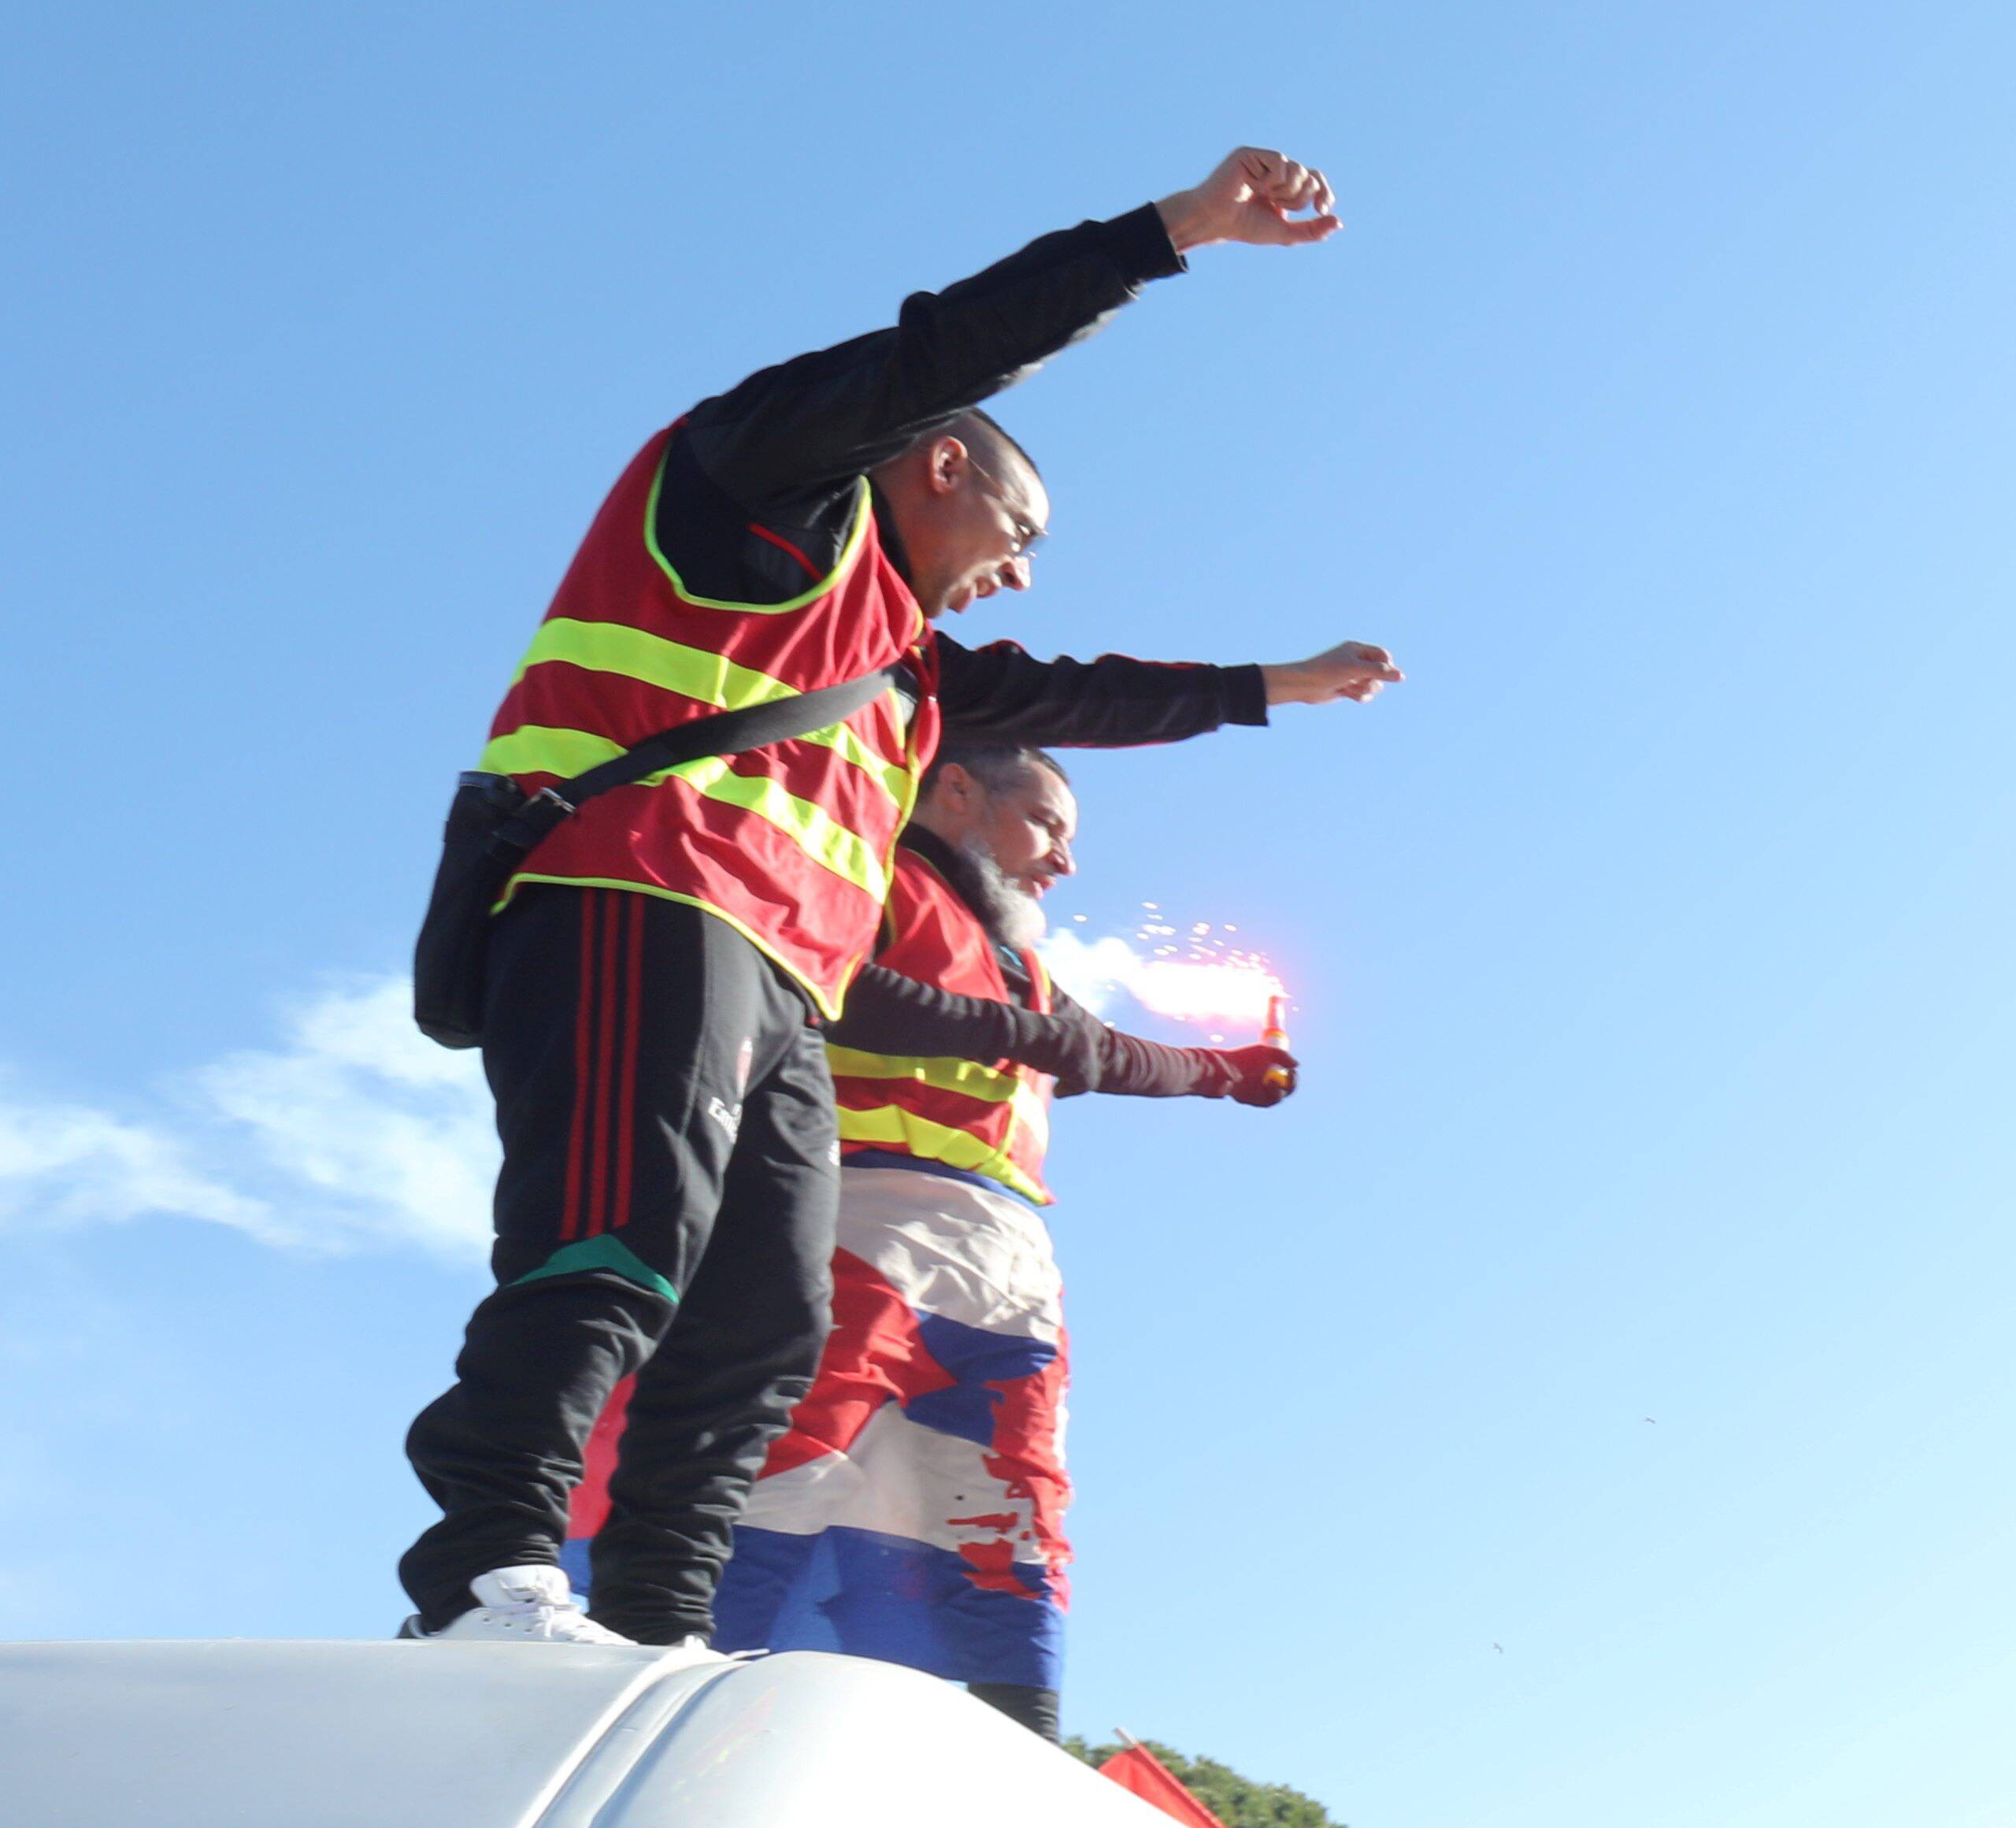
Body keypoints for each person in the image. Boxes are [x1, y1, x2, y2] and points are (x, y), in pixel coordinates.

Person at [402, 149, 1397, 1649]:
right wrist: (1178, 230)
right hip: (641, 900)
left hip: (781, 985)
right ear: (942, 466)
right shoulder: (753, 490)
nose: (1018, 576)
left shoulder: (911, 669)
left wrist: (1274, 686)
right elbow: (949, 345)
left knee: (760, 1323)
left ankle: (661, 1624)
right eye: (1020, 536)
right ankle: (485, 1578)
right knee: (613, 1243)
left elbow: (1079, 693)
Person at [645, 741, 1294, 1734]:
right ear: (955, 792)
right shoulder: (866, 879)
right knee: (788, 1446)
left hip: (1007, 1253)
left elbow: (1099, 1051)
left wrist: (1225, 1072)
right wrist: (1028, 1035)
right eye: (1046, 826)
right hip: (863, 1215)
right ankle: (671, 1688)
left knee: (1015, 1501)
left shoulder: (1021, 962)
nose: (1064, 864)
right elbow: (841, 987)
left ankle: (1019, 1746)